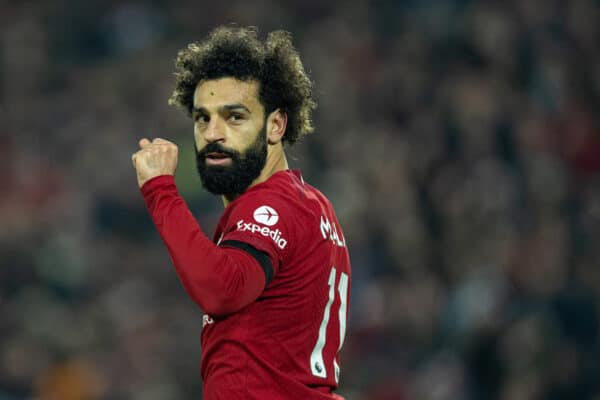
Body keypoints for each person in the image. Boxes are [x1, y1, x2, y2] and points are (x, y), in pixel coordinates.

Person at [131, 26, 351, 400]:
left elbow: (223, 289)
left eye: (234, 117)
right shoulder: (311, 203)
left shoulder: (271, 205)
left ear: (275, 125)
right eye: (203, 118)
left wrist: (160, 191)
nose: (213, 133)